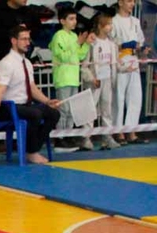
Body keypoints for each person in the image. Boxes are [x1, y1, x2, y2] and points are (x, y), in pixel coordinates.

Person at [0, 25, 61, 164]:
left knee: (53, 113)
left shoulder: (27, 63)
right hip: (8, 107)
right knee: (35, 114)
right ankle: (31, 152)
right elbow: (0, 90)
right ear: (14, 41)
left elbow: (32, 88)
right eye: (24, 39)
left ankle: (32, 148)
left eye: (28, 39)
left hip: (25, 105)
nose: (28, 43)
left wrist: (47, 101)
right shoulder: (7, 63)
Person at [50, 6, 94, 151]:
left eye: (75, 19)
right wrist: (77, 44)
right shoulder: (58, 36)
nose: (74, 22)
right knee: (63, 109)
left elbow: (79, 56)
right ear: (62, 21)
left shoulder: (74, 36)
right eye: (71, 19)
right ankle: (60, 138)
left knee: (70, 110)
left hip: (73, 78)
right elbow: (63, 57)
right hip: (63, 78)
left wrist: (85, 44)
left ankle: (68, 135)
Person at [111, 0, 149, 144]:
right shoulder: (114, 21)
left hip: (133, 59)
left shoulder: (135, 21)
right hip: (120, 59)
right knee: (119, 96)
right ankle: (118, 132)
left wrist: (142, 49)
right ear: (120, 2)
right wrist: (123, 45)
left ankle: (131, 132)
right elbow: (110, 43)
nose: (132, 4)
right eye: (128, 1)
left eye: (133, 1)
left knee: (135, 96)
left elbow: (140, 41)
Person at [89, 12, 121, 150]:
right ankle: (86, 137)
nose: (110, 27)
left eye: (111, 24)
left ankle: (107, 137)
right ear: (100, 26)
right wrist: (92, 78)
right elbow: (85, 65)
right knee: (91, 109)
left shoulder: (112, 43)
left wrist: (125, 68)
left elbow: (115, 63)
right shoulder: (92, 42)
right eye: (108, 24)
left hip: (108, 79)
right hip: (95, 80)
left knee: (107, 109)